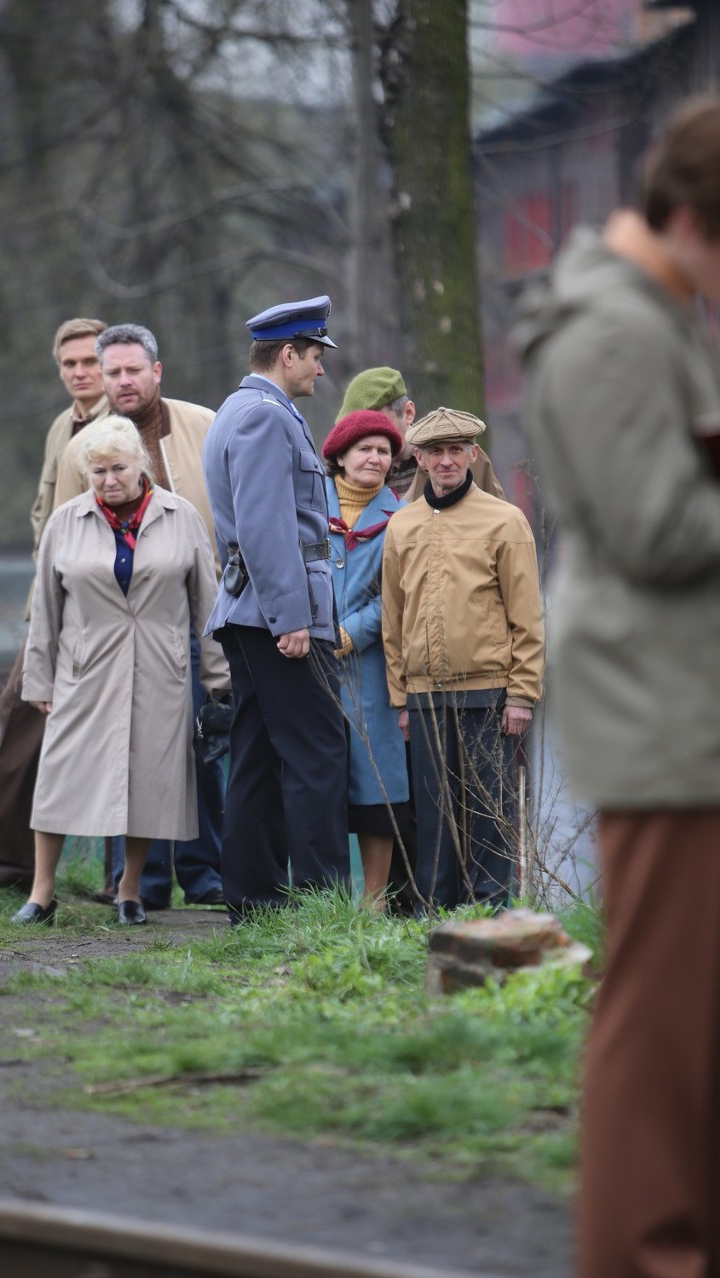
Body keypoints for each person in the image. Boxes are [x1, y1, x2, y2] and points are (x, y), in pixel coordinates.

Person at [515, 96, 720, 1278]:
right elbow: (652, 527)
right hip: (657, 706)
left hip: (681, 697)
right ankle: (642, 1257)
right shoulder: (612, 331)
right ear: (691, 217)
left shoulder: (653, 312)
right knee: (656, 1014)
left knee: (690, 1015)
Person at [14, 415, 229, 926]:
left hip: (161, 669)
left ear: (142, 464)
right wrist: (38, 678)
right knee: (60, 776)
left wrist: (219, 681)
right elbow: (46, 606)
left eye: (118, 468)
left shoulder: (182, 518)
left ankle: (130, 891)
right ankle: (41, 893)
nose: (109, 480)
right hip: (84, 670)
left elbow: (209, 605)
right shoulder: (66, 522)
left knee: (148, 780)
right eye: (98, 471)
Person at [55, 323, 226, 909]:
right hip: (111, 622)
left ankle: (207, 875)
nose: (123, 381)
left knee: (199, 746)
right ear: (101, 378)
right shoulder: (86, 441)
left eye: (134, 370)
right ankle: (139, 885)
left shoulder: (203, 425)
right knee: (123, 753)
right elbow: (59, 536)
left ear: (158, 371)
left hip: (191, 613)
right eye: (113, 372)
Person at [202, 295, 350, 917]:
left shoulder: (244, 409)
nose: (321, 369)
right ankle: (321, 903)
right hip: (277, 615)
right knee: (319, 749)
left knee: (259, 756)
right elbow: (265, 528)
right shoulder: (265, 417)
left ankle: (254, 900)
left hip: (252, 611)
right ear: (288, 355)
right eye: (315, 356)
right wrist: (290, 618)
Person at [0, 317, 108, 892]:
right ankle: (16, 858)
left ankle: (114, 874)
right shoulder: (60, 426)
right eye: (69, 364)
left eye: (89, 362)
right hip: (48, 598)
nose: (79, 373)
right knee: (20, 704)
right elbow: (41, 513)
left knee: (89, 724)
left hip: (98, 599)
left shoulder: (115, 427)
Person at [381, 407, 543, 914]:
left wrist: (521, 694)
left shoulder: (504, 519)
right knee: (434, 812)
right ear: (421, 459)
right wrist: (400, 696)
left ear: (473, 454)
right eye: (436, 452)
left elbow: (528, 617)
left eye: (456, 450)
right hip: (425, 694)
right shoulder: (402, 526)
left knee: (488, 811)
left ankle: (491, 911)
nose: (446, 461)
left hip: (488, 690)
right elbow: (393, 619)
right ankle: (435, 913)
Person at [322, 410, 409, 909]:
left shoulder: (400, 519)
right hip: (309, 663)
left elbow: (397, 596)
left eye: (383, 450)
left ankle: (374, 898)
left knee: (377, 785)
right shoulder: (308, 506)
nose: (375, 458)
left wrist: (351, 633)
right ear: (340, 457)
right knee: (320, 783)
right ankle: (324, 896)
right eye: (365, 450)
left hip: (371, 669)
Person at [335, 366, 504, 501]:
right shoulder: (348, 471)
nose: (370, 434)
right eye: (358, 430)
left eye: (379, 423)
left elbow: (499, 523)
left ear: (408, 413)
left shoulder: (460, 458)